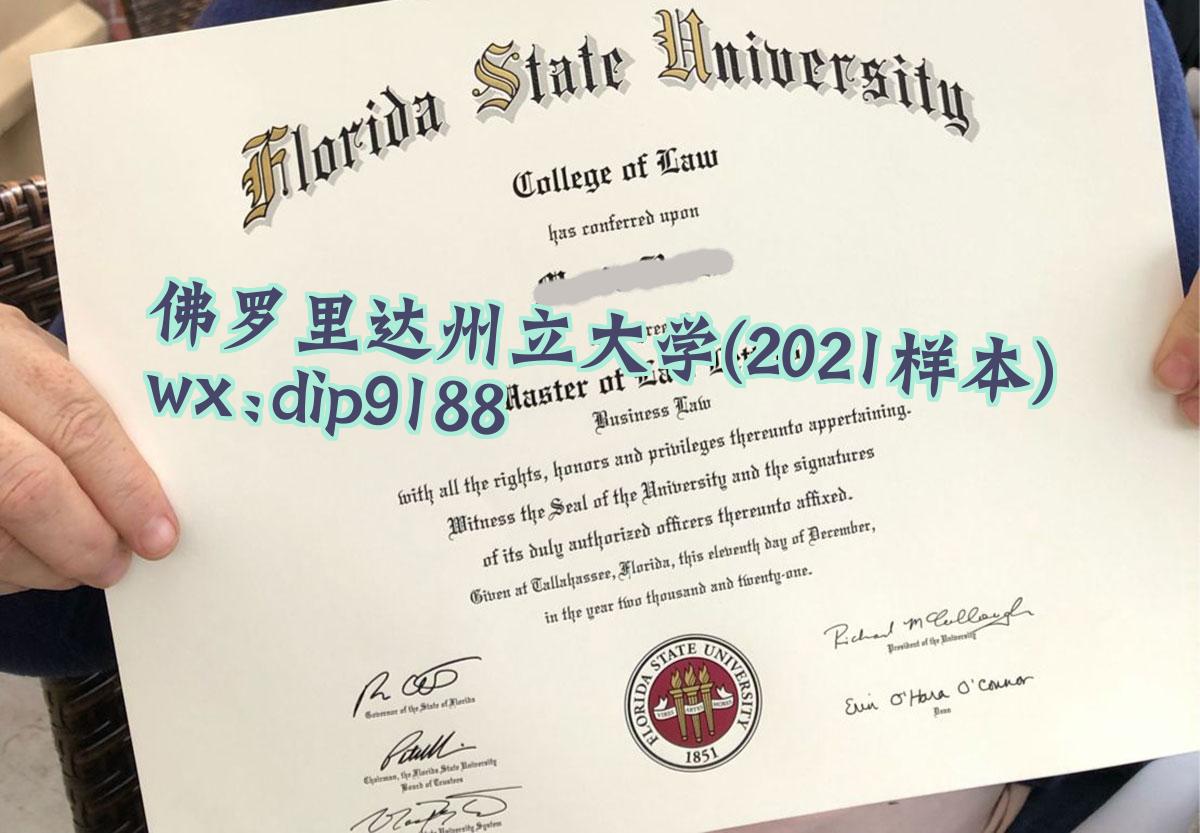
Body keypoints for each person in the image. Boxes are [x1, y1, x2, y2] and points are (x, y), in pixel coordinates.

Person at [0, 2, 1194, 831]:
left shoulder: (1047, 30)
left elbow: (1150, 424)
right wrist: (34, 485)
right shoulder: (245, 77)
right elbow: (115, 591)